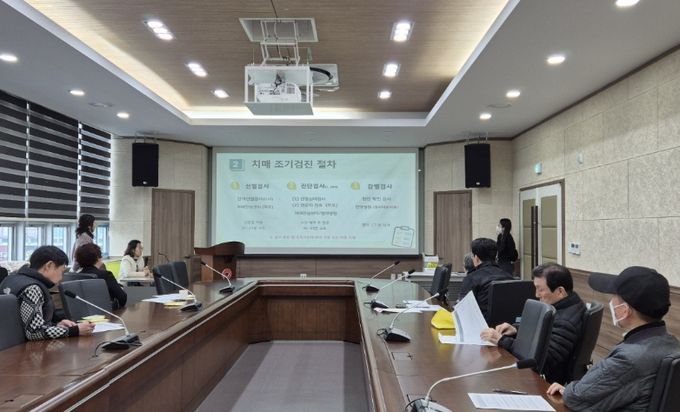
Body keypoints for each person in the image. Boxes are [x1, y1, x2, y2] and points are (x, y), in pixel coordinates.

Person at [547, 266, 680, 411]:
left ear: (625, 310)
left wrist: (569, 390)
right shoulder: (672, 343)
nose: (611, 301)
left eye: (614, 296)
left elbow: (577, 399)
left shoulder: (628, 359)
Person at [480, 263, 586, 384]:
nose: (536, 294)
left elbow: (541, 359)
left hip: (543, 381)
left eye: (541, 289)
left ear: (560, 291)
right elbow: (543, 334)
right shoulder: (570, 305)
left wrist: (502, 340)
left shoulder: (565, 322)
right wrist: (516, 330)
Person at [0, 246, 94, 340]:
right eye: (61, 271)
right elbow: (35, 332)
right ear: (49, 265)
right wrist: (75, 330)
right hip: (23, 347)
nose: (61, 277)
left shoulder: (10, 279)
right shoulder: (32, 288)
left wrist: (56, 326)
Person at [458, 238, 513, 319]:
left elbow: (463, 310)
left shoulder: (471, 278)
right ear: (495, 257)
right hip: (507, 325)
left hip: (480, 325)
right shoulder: (509, 277)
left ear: (476, 258)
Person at [75, 243, 127, 310]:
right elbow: (122, 298)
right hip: (105, 313)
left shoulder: (75, 276)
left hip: (81, 313)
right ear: (97, 258)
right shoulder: (105, 275)